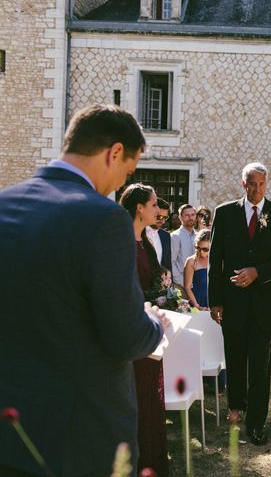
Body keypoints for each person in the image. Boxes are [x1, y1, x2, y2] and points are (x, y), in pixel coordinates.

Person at [0, 104, 165, 476]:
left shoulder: (4, 203)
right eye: (127, 170)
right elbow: (125, 337)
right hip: (75, 436)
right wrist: (155, 325)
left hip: (10, 427)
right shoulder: (102, 218)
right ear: (115, 153)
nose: (122, 183)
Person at [209, 162, 271, 445]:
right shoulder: (224, 213)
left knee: (259, 366)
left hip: (263, 304)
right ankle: (236, 407)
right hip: (231, 302)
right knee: (234, 359)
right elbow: (214, 259)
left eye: (261, 184)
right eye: (252, 184)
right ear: (243, 184)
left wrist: (257, 272)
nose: (257, 189)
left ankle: (256, 423)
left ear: (266, 184)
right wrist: (215, 300)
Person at [119, 183, 169, 477]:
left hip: (149, 328)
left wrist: (162, 295)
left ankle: (150, 458)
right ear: (139, 207)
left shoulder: (146, 242)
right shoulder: (123, 241)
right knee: (133, 395)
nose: (157, 210)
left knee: (149, 394)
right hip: (131, 330)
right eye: (152, 205)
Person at [184, 229, 211, 310]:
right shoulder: (191, 261)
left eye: (205, 249)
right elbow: (187, 287)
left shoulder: (218, 261)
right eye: (198, 248)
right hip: (198, 305)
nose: (201, 252)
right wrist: (196, 305)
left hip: (216, 306)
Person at [171, 204, 197, 287]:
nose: (190, 218)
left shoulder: (198, 236)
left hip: (198, 281)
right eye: (187, 215)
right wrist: (183, 282)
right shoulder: (175, 236)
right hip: (182, 283)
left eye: (193, 215)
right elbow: (172, 262)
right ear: (180, 218)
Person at [146, 197, 172, 272]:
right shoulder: (139, 232)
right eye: (159, 217)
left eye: (165, 218)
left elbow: (167, 264)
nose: (163, 221)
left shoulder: (166, 236)